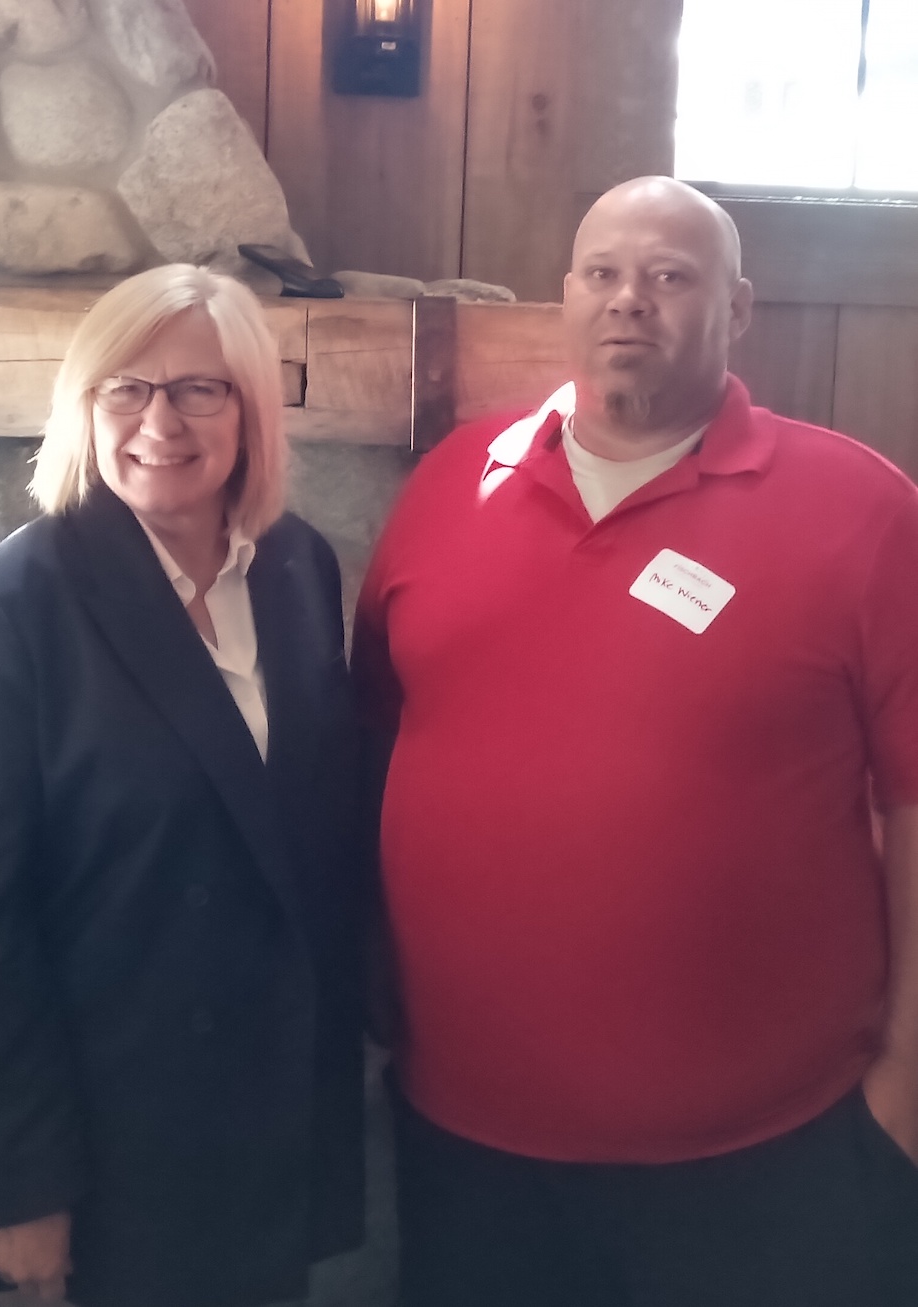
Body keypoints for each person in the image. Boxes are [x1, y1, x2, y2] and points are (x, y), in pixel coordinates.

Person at [352, 175, 918, 1306]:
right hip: (470, 1148)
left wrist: (909, 1083)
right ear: (566, 296)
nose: (631, 301)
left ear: (739, 307)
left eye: (671, 276)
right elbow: (373, 736)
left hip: (771, 1158)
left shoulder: (862, 511)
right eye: (604, 273)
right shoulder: (453, 482)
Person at [0, 264, 365, 1307]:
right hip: (106, 1136)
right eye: (127, 387)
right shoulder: (8, 606)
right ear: (86, 407)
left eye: (199, 388)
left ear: (250, 408)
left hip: (265, 1114)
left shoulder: (297, 570)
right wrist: (18, 1186)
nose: (160, 418)